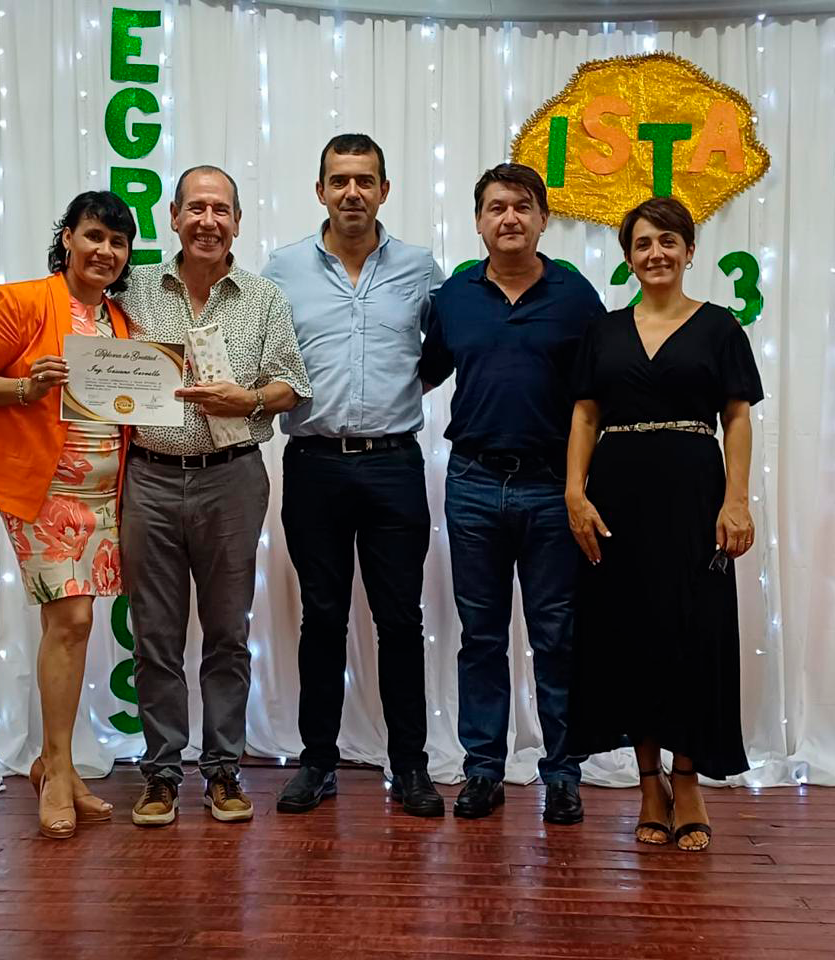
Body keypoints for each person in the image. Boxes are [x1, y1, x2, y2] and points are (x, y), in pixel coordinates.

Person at [565, 196, 763, 852]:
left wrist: (736, 501)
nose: (656, 253)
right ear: (628, 257)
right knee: (630, 637)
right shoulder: (604, 331)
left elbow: (737, 417)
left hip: (694, 495)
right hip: (617, 498)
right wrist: (574, 493)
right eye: (643, 243)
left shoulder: (719, 327)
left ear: (689, 251)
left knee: (694, 634)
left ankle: (688, 777)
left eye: (668, 241)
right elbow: (585, 415)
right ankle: (649, 782)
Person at [118, 165, 312, 827]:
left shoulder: (262, 297)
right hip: (147, 476)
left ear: (237, 221)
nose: (208, 221)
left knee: (229, 632)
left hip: (232, 478)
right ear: (173, 217)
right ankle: (161, 774)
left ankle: (224, 769)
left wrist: (247, 399)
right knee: (155, 634)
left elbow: (291, 385)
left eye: (221, 209)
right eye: (196, 208)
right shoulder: (132, 289)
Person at [263, 134, 446, 817]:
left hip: (394, 464)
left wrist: (397, 392)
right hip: (313, 465)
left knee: (400, 620)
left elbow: (443, 349)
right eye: (339, 180)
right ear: (320, 190)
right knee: (322, 618)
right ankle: (318, 762)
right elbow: (266, 354)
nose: (351, 192)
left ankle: (411, 766)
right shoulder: (282, 269)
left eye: (364, 180)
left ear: (384, 190)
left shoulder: (420, 268)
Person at [0, 190, 137, 839]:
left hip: (105, 497)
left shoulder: (122, 323)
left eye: (117, 242)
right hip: (44, 490)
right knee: (72, 618)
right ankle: (57, 772)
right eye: (93, 236)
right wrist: (25, 387)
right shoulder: (24, 302)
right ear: (67, 239)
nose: (105, 250)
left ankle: (59, 764)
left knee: (75, 628)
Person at [419, 163, 605, 824]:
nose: (509, 218)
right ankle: (482, 771)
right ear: (478, 221)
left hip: (553, 488)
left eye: (522, 206)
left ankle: (563, 774)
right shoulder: (455, 295)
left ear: (543, 218)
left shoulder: (576, 296)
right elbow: (424, 373)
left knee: (557, 636)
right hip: (472, 483)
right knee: (481, 636)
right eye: (496, 207)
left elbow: (595, 399)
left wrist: (583, 486)